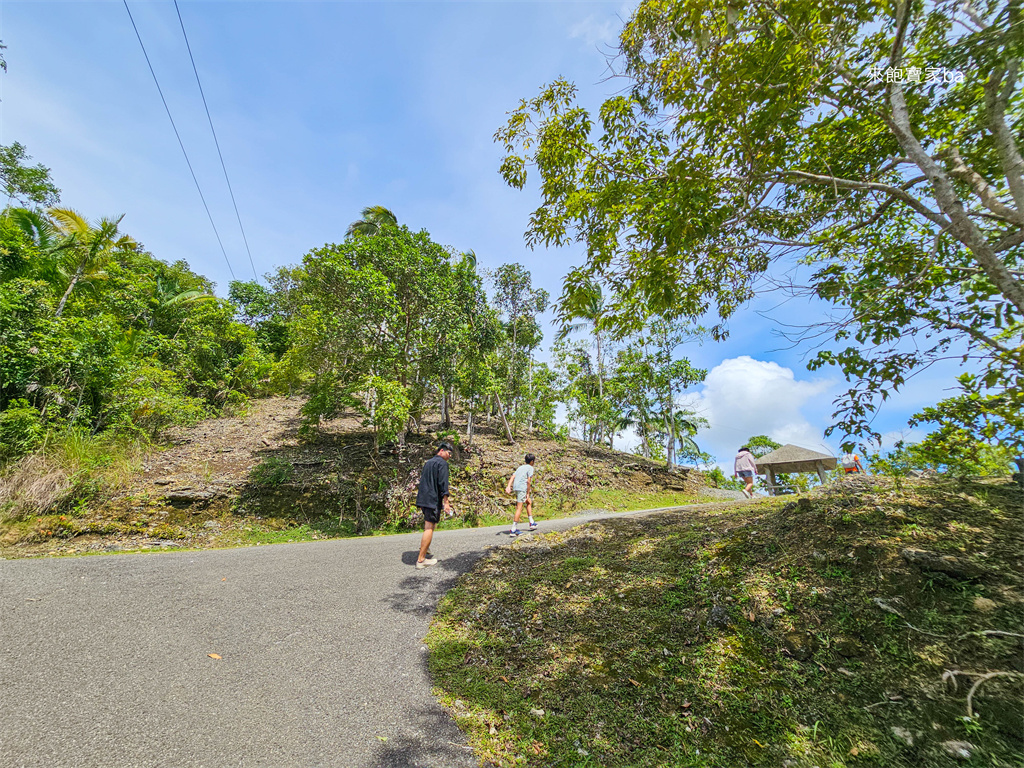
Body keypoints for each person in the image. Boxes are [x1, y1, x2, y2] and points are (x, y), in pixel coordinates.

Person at [414, 441, 453, 569]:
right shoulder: (442, 463)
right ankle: (421, 560)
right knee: (429, 527)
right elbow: (443, 484)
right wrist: (446, 503)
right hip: (432, 499)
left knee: (430, 524)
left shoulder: (428, 462)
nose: (450, 456)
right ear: (441, 451)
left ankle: (425, 548)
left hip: (423, 499)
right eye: (449, 452)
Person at [505, 453, 537, 536]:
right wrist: (528, 493)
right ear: (532, 461)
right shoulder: (530, 468)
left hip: (516, 487)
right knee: (519, 508)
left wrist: (509, 486)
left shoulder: (520, 467)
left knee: (528, 502)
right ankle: (513, 529)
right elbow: (528, 481)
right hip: (522, 488)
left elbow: (513, 476)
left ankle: (532, 522)